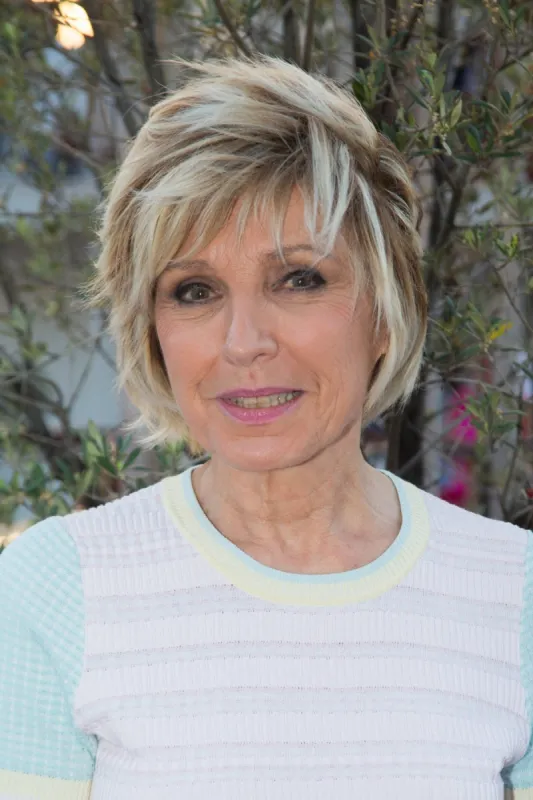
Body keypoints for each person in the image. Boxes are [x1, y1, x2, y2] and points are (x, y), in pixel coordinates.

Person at [0, 55, 532, 800]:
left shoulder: (513, 593)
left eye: (299, 279)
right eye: (194, 291)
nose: (242, 341)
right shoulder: (59, 589)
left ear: (383, 313)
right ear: (153, 331)